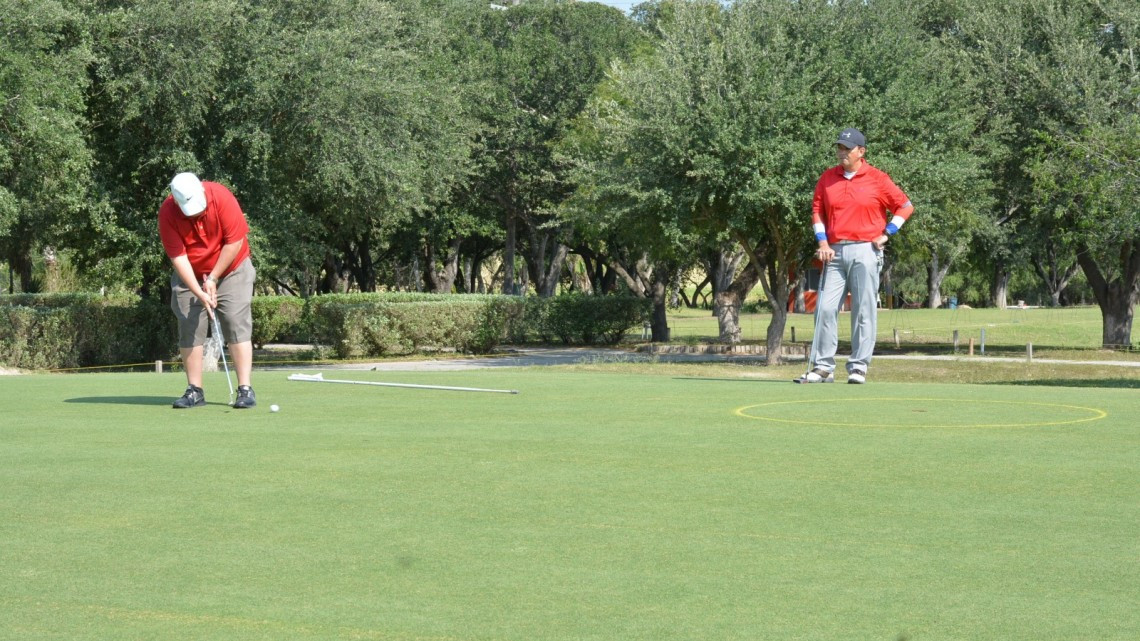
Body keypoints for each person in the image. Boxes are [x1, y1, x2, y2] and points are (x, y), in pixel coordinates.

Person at [797, 128, 914, 384]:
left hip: (866, 250)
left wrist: (887, 233)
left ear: (861, 152)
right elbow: (817, 212)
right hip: (834, 251)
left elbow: (905, 207)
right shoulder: (827, 178)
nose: (842, 153)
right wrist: (823, 241)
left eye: (847, 149)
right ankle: (823, 367)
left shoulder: (878, 179)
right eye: (839, 148)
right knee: (824, 309)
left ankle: (858, 366)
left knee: (863, 310)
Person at [159, 172, 258, 408]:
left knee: (235, 320)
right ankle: (195, 390)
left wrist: (213, 278)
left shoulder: (221, 196)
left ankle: (245, 389)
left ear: (202, 191)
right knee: (189, 323)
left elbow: (234, 242)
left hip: (232, 267)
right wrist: (199, 290)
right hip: (190, 272)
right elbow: (178, 257)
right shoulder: (168, 212)